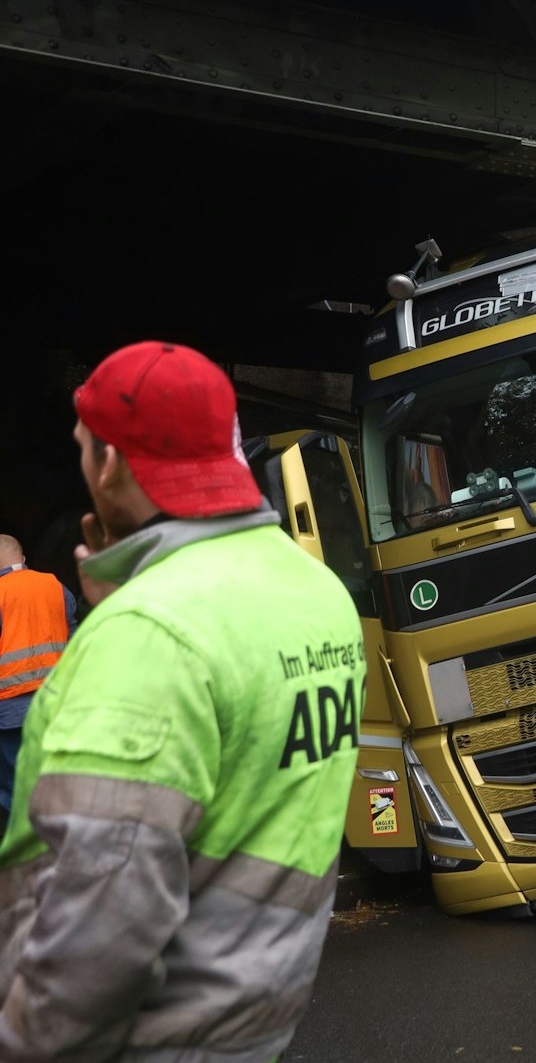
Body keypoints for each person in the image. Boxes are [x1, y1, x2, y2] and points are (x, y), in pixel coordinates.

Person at [0, 342, 364, 1060]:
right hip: (257, 1012)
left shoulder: (149, 634)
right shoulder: (316, 590)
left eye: (82, 449)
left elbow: (99, 938)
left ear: (108, 463)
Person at [0, 535, 78, 814]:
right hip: (54, 703)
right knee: (54, 778)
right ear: (22, 559)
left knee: (14, 787)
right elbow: (72, 640)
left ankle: (23, 848)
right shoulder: (55, 586)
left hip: (8, 711)